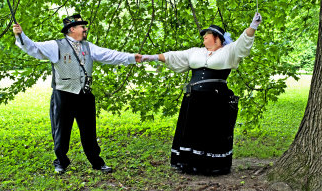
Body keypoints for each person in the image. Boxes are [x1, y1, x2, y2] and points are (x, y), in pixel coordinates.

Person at [13, 14, 142, 174]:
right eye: (82, 27)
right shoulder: (56, 46)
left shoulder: (89, 47)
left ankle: (97, 162)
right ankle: (60, 161)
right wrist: (20, 35)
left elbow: (109, 55)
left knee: (89, 131)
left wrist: (130, 57)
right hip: (64, 94)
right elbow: (33, 47)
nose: (85, 29)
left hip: (85, 95)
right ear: (72, 29)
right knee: (61, 130)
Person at [142, 12, 262, 175]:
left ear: (217, 38)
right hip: (194, 98)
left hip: (216, 99)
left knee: (211, 131)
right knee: (192, 130)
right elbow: (173, 56)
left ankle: (210, 165)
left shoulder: (228, 52)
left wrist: (253, 26)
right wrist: (149, 57)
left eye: (207, 35)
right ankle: (188, 163)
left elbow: (243, 44)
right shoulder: (195, 52)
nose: (204, 38)